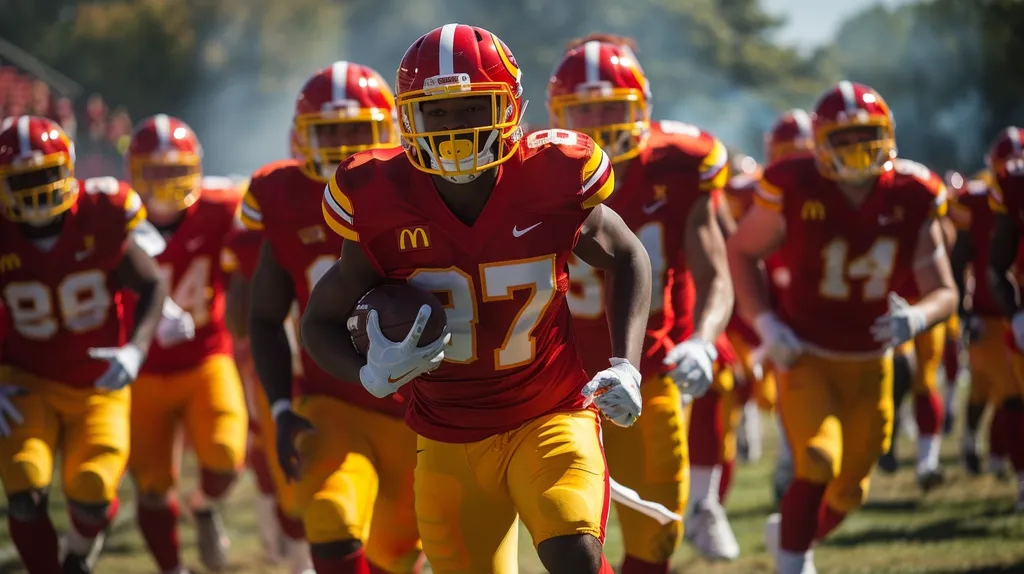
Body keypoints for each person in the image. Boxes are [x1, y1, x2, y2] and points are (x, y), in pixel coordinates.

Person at [305, 23, 653, 574]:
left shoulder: (553, 174)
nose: (454, 127)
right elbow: (319, 322)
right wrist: (367, 374)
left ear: (510, 106)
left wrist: (626, 365)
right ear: (407, 117)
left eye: (471, 107)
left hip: (551, 412)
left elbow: (628, 255)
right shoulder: (377, 196)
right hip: (447, 438)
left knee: (573, 549)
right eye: (435, 112)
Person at [727, 81, 957, 574]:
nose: (859, 149)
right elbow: (742, 251)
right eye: (845, 139)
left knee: (851, 489)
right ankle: (794, 561)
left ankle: (790, 537)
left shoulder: (914, 192)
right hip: (806, 352)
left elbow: (946, 290)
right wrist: (765, 322)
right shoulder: (793, 181)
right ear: (820, 142)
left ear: (889, 134)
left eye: (868, 135)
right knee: (816, 460)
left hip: (872, 361)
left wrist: (916, 317)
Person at [546, 33, 737, 568]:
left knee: (657, 534)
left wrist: (702, 340)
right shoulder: (536, 171)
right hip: (552, 379)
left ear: (642, 107)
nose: (600, 120)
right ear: (559, 113)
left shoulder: (679, 165)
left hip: (647, 370)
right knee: (570, 532)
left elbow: (715, 272)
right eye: (584, 109)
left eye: (613, 105)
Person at [246, 60, 421, 574]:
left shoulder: (424, 186)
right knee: (330, 514)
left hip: (421, 408)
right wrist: (279, 406)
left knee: (396, 552)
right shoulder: (282, 196)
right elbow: (262, 315)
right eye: (331, 131)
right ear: (303, 138)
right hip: (334, 399)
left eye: (357, 130)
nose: (345, 143)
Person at [0, 115, 169, 573]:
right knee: (22, 484)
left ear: (69, 170)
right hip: (25, 382)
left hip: (96, 381)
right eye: (23, 179)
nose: (37, 190)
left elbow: (153, 283)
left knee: (94, 488)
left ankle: (77, 556)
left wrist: (135, 349)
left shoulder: (103, 211)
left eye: (46, 175)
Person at [123, 114, 250, 573]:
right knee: (153, 487)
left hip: (205, 357)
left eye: (175, 169)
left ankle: (204, 506)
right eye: (154, 171)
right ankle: (172, 568)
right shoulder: (117, 219)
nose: (165, 183)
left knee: (226, 457)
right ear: (134, 173)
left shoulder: (220, 209)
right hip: (143, 370)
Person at [723, 109, 814, 507]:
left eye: (803, 152)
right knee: (748, 382)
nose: (795, 161)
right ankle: (767, 449)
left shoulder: (830, 189)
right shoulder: (749, 191)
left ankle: (789, 465)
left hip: (806, 304)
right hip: (758, 303)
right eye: (788, 152)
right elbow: (735, 247)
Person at [983, 125, 1024, 511]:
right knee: (1012, 399)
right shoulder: (1012, 188)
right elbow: (997, 266)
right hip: (1002, 317)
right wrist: (1015, 315)